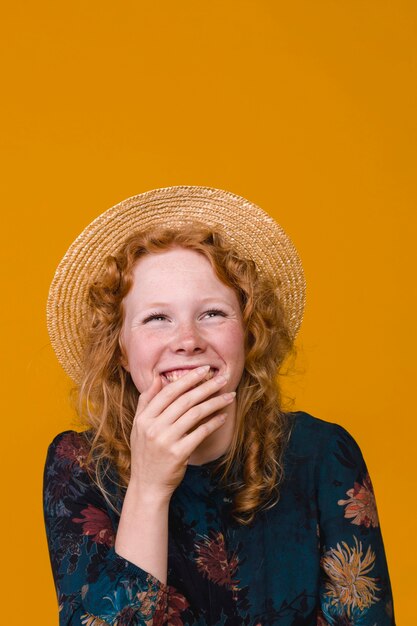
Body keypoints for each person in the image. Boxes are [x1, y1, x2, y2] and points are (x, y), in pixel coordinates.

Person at [44, 186, 395, 625]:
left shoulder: (322, 453)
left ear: (248, 333)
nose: (188, 341)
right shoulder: (78, 465)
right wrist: (149, 490)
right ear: (119, 349)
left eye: (212, 313)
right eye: (157, 318)